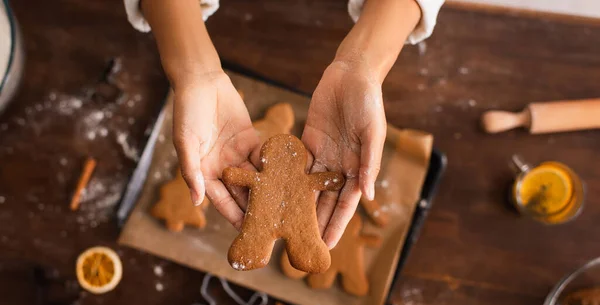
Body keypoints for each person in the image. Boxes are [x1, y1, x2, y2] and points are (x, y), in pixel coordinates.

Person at [124, 0, 443, 249]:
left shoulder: (278, 180)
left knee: (299, 240)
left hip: (342, 28)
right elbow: (315, 181)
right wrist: (193, 71)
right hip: (225, 29)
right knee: (261, 239)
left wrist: (362, 66)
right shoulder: (274, 180)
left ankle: (298, 248)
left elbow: (317, 181)